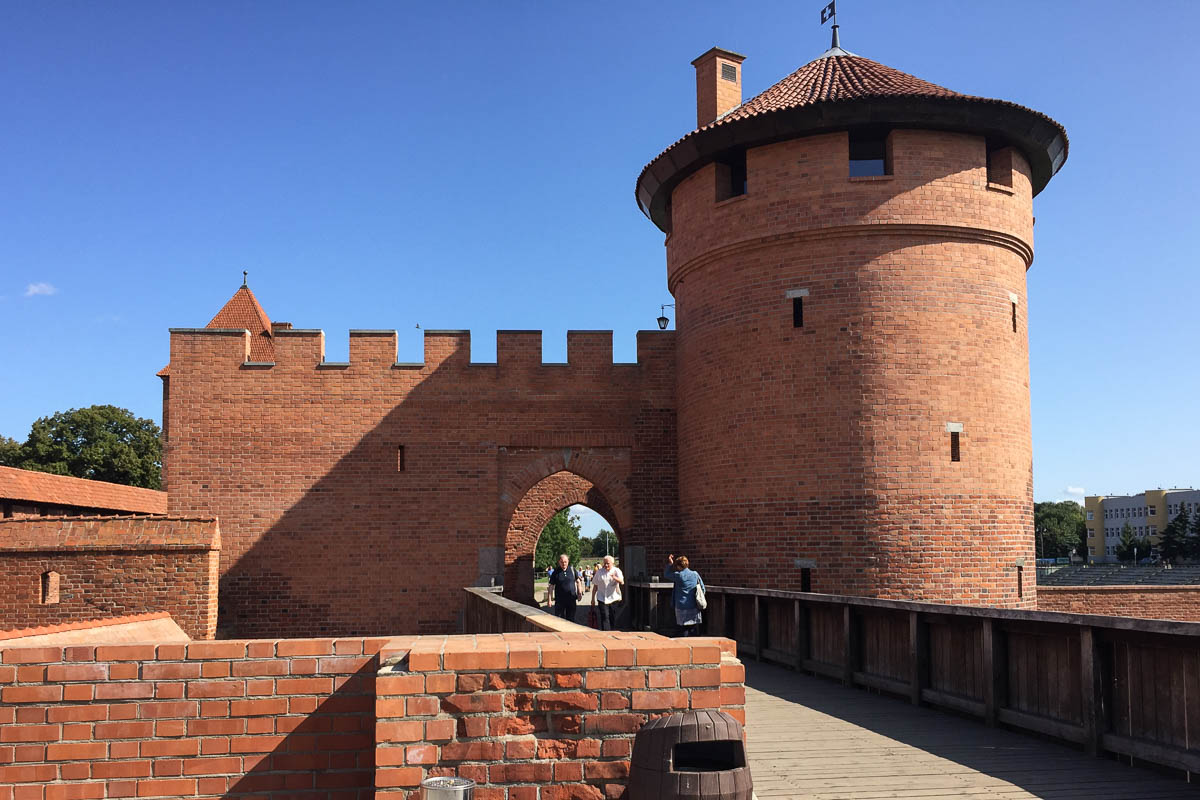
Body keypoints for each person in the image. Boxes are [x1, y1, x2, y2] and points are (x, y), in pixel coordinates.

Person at [666, 553, 704, 637]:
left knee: (682, 628)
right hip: (694, 605)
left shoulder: (679, 575)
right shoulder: (695, 574)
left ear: (679, 566)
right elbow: (702, 589)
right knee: (693, 628)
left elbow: (666, 574)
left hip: (681, 606)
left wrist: (670, 564)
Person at [590, 554, 625, 631]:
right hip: (602, 598)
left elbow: (622, 582)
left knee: (612, 617)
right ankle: (606, 633)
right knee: (604, 616)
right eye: (604, 563)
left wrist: (614, 577)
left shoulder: (616, 571)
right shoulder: (599, 572)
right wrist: (592, 599)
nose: (606, 565)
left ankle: (612, 631)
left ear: (612, 563)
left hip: (613, 598)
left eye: (608, 563)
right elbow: (595, 586)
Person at [548, 553, 583, 621]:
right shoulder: (555, 572)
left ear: (568, 561)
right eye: (562, 562)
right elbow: (551, 586)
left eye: (565, 562)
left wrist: (580, 593)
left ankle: (569, 631)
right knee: (559, 619)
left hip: (571, 599)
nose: (563, 564)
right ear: (559, 562)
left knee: (571, 619)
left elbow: (578, 582)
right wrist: (549, 599)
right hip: (560, 600)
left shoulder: (572, 570)